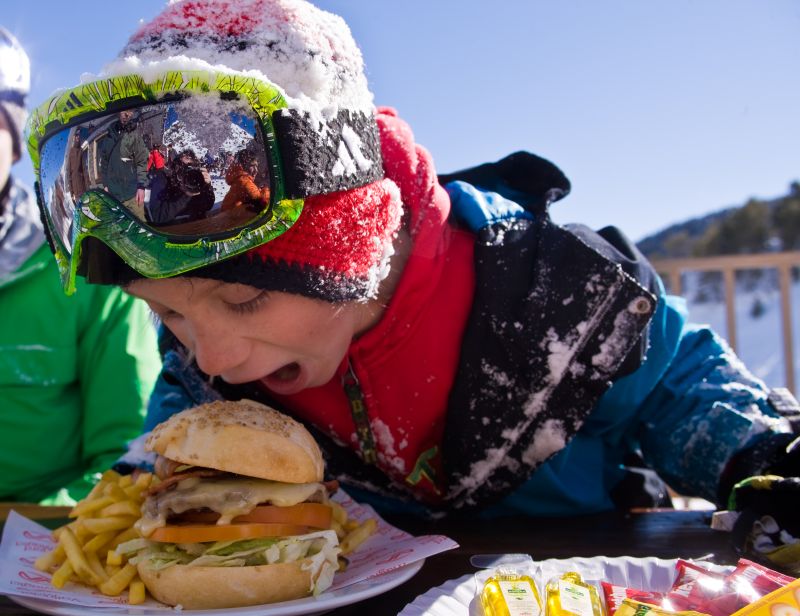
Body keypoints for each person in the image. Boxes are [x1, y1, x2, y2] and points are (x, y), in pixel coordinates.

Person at [27, 0, 798, 518]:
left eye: (244, 300)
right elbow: (181, 427)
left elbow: (672, 388)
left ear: (349, 246)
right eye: (166, 313)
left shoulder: (551, 291)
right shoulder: (205, 356)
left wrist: (756, 456)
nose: (216, 358)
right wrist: (143, 494)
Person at [0, 26, 161, 505]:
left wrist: (17, 536)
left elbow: (126, 457)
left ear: (12, 142)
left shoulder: (88, 269)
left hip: (33, 553)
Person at [95, 109, 149, 220]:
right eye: (125, 111)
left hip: (133, 193)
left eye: (131, 112)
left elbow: (142, 161)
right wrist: (106, 185)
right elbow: (104, 163)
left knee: (142, 227)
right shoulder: (107, 139)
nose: (127, 114)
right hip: (114, 195)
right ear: (118, 113)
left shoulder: (135, 137)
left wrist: (141, 186)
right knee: (122, 228)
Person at [146, 149, 214, 225]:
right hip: (171, 232)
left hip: (196, 229)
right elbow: (158, 216)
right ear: (175, 167)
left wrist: (207, 186)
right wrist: (185, 195)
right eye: (182, 166)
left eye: (191, 167)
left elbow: (207, 206)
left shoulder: (196, 180)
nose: (186, 172)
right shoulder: (163, 180)